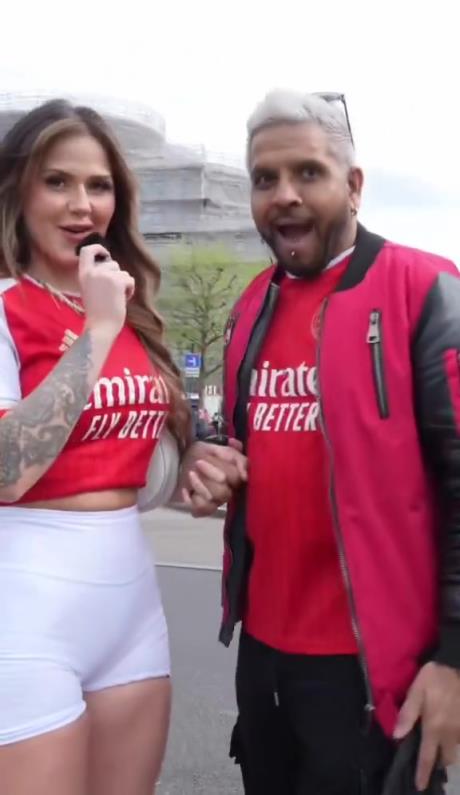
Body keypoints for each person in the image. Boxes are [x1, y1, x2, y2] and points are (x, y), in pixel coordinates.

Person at [0, 99, 247, 795]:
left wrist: (190, 467)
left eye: (99, 185)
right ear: (18, 189)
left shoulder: (126, 311)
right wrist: (98, 331)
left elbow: (131, 453)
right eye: (57, 181)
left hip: (129, 605)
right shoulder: (14, 306)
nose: (81, 204)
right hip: (24, 604)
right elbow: (8, 469)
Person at [220, 89, 460, 794]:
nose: (284, 195)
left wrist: (454, 659)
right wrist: (215, 466)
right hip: (263, 660)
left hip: (373, 670)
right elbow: (250, 449)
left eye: (308, 173)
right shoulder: (251, 304)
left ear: (353, 185)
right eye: (265, 178)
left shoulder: (425, 287)